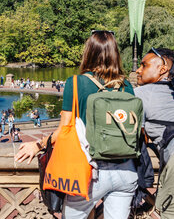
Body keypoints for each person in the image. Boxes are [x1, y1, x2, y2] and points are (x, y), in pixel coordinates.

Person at [15, 30, 137, 219]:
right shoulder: (127, 86)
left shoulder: (76, 83)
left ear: (88, 52)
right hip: (126, 170)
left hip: (92, 172)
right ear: (115, 54)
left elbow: (64, 129)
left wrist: (38, 145)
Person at [135, 47, 174, 218]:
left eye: (144, 65)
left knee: (167, 213)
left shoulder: (141, 94)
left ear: (163, 69)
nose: (138, 69)